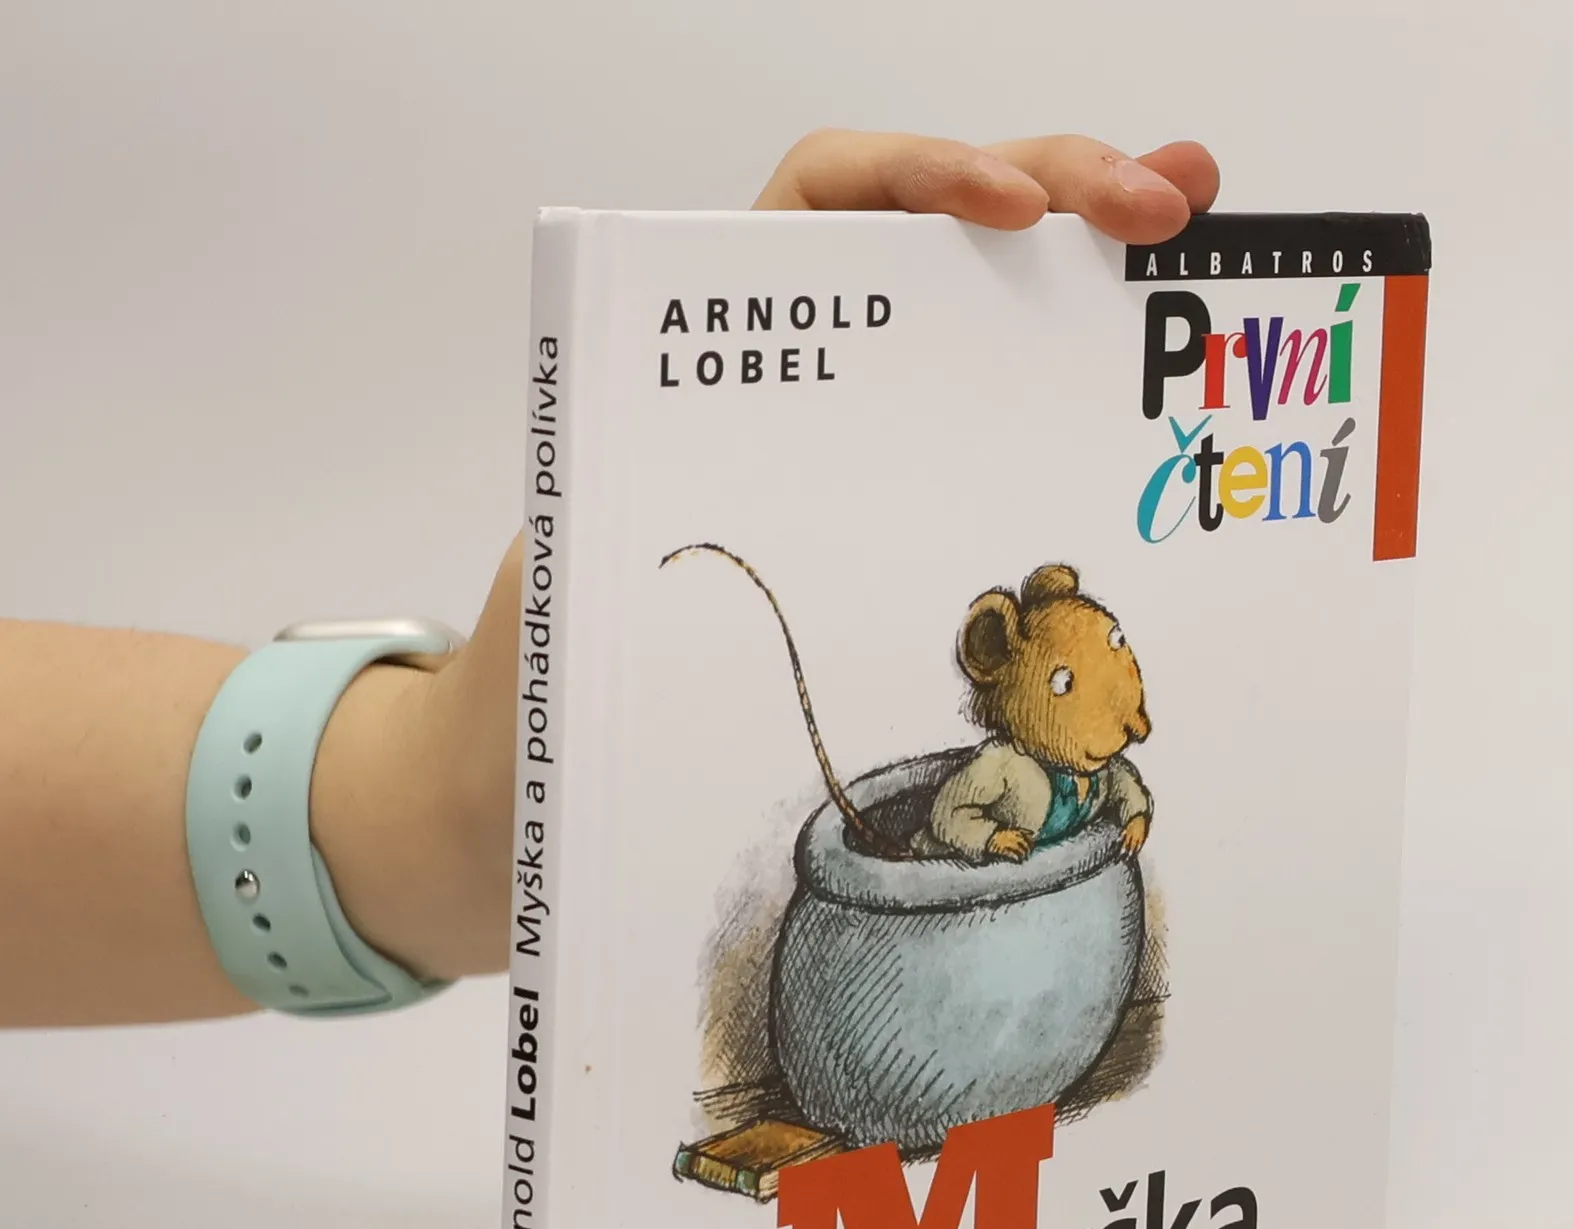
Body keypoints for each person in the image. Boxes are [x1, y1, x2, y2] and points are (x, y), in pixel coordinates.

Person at [0, 130, 1218, 1031]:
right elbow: (956, 822)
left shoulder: (1082, 769)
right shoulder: (1005, 775)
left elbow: (447, 818)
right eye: (1079, 678)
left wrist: (457, 804)